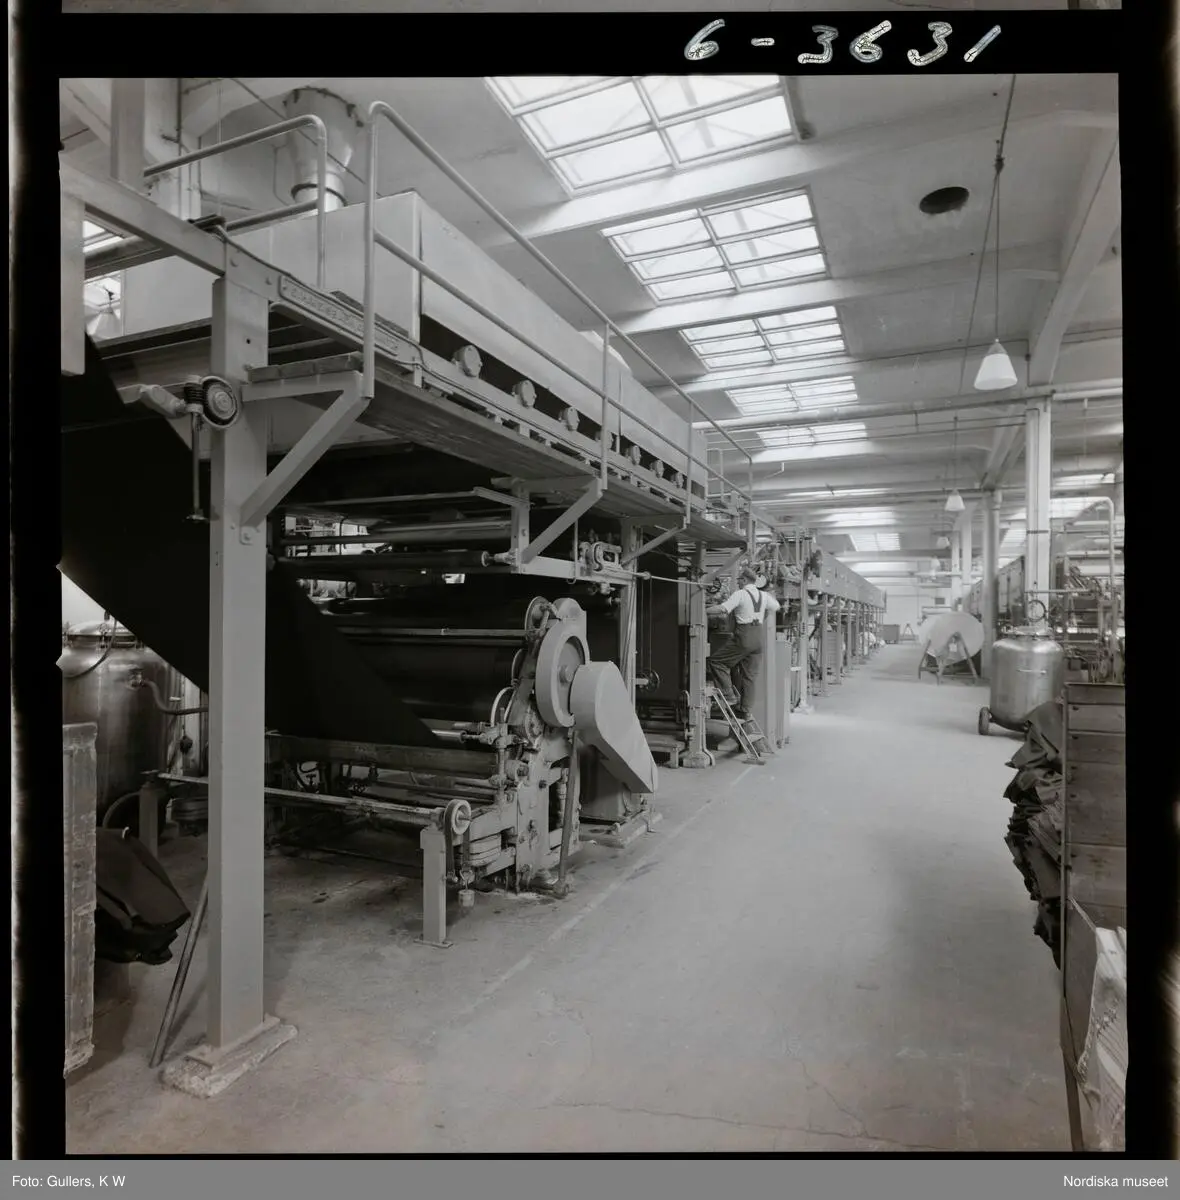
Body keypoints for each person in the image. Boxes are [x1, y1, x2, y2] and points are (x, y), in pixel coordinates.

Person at [706, 568, 781, 718]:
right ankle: (745, 710)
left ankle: (728, 695)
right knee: (750, 676)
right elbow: (776, 607)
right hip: (758, 638)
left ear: (745, 580)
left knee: (716, 662)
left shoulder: (740, 594)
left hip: (744, 636)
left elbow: (723, 609)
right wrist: (760, 616)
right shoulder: (764, 595)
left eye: (739, 580)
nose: (738, 582)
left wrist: (704, 610)